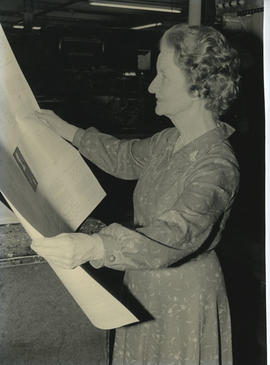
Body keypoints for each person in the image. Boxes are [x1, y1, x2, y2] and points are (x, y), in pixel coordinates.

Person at [31, 23, 240, 365]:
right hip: (143, 281)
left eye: (163, 75)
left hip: (183, 296)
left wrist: (95, 246)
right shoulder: (169, 140)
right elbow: (125, 157)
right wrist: (64, 130)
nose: (151, 85)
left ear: (198, 87)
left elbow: (178, 230)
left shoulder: (217, 165)